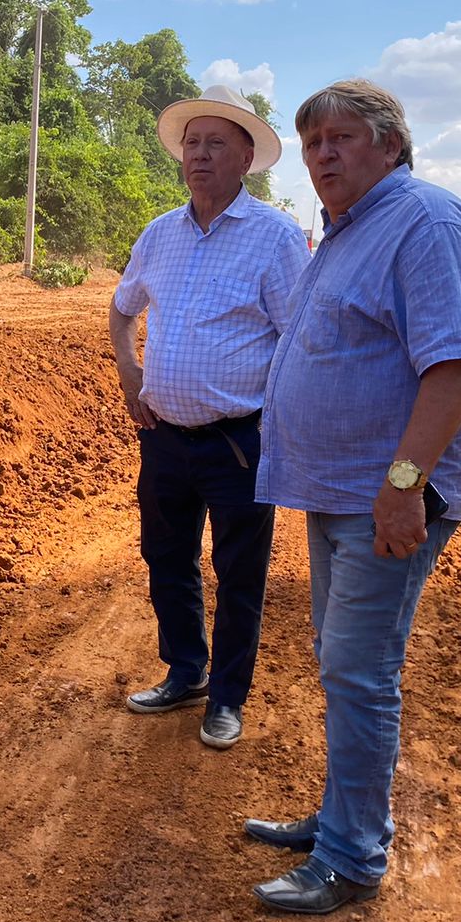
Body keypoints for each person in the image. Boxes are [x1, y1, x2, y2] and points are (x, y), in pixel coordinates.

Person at [244, 80, 461, 914]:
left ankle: (352, 859)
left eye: (341, 139)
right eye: (312, 143)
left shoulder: (426, 222)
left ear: (391, 144)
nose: (322, 156)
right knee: (340, 661)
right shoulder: (350, 231)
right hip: (338, 492)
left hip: (386, 499)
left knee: (359, 667)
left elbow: (454, 362)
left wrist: (402, 486)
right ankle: (339, 817)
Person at [108, 85, 310, 750]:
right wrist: (130, 372)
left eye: (215, 143)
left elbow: (297, 337)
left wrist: (281, 424)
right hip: (164, 436)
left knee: (240, 572)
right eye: (192, 143)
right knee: (166, 556)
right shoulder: (160, 233)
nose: (199, 155)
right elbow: (122, 307)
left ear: (247, 157)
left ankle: (227, 697)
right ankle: (186, 671)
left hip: (239, 441)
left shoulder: (277, 237)